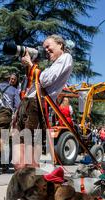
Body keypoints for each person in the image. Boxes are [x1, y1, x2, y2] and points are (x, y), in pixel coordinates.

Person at [14, 34, 73, 169]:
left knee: (32, 147)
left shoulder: (66, 57)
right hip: (29, 103)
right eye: (44, 47)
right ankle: (22, 179)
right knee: (21, 145)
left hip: (38, 104)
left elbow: (45, 80)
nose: (45, 50)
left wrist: (31, 64)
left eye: (48, 46)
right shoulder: (53, 63)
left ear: (60, 45)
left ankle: (30, 180)